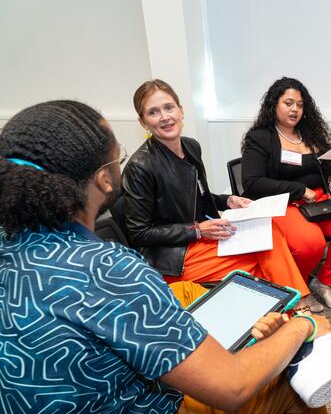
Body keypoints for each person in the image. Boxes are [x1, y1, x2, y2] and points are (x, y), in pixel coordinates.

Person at [0, 100, 331, 414]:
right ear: (105, 179)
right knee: (285, 369)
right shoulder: (108, 270)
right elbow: (231, 387)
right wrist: (300, 328)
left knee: (220, 293)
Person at [122, 79, 318, 308]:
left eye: (169, 107)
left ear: (181, 110)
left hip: (200, 238)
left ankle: (293, 311)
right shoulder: (140, 165)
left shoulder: (190, 147)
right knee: (263, 264)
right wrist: (196, 230)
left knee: (268, 232)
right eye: (153, 112)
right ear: (143, 122)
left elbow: (197, 195)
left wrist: (227, 201)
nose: (165, 117)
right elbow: (138, 233)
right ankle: (298, 310)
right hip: (174, 256)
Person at [241, 77, 331, 311]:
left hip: (316, 200)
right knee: (310, 242)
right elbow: (252, 183)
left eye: (299, 104)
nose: (295, 109)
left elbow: (320, 168)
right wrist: (298, 190)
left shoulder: (310, 135)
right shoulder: (260, 138)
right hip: (282, 203)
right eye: (288, 103)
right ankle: (298, 290)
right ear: (274, 105)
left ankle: (325, 284)